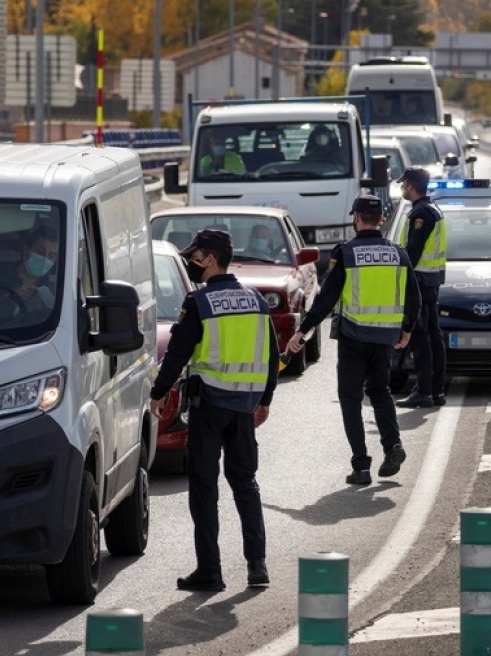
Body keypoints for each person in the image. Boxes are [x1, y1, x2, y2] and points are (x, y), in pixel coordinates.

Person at [149, 229, 280, 591]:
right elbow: (272, 356)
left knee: (205, 489)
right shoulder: (256, 299)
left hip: (209, 408)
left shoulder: (200, 303)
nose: (192, 262)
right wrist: (265, 400)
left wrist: (158, 393)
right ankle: (257, 566)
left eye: (195, 256)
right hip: (244, 410)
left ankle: (211, 571)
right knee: (245, 485)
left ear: (209, 258)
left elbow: (177, 354)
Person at [288, 195, 420, 485]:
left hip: (353, 337)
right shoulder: (399, 253)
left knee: (350, 399)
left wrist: (303, 331)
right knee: (380, 391)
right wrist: (407, 329)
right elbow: (414, 297)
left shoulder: (347, 253)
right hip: (385, 337)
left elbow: (326, 299)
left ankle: (361, 466)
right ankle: (393, 445)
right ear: (381, 220)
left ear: (357, 219)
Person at [395, 165, 448, 409]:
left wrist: (399, 278)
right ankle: (436, 390)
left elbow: (412, 252)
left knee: (421, 338)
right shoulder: (431, 209)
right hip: (430, 281)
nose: (402, 188)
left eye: (403, 184)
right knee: (433, 337)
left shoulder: (421, 214)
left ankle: (424, 391)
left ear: (411, 185)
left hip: (419, 282)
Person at [9, 228, 57, 308]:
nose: (45, 259)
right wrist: (11, 298)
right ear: (26, 250)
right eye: (40, 252)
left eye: (51, 256)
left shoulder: (57, 288)